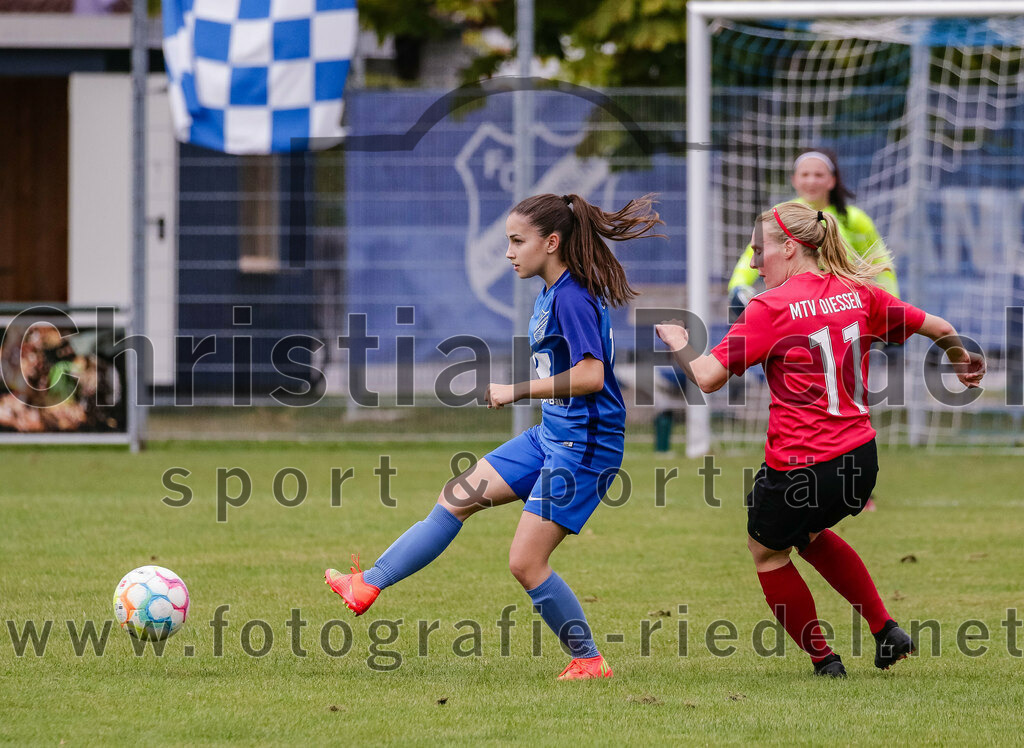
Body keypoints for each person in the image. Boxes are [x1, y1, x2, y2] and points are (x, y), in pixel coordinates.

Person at [326, 192, 664, 680]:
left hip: (585, 447)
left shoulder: (571, 295)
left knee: (526, 563)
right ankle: (368, 585)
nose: (508, 251)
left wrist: (516, 390)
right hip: (553, 434)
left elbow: (592, 376)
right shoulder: (552, 290)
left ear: (551, 242)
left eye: (516, 241)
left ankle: (589, 660)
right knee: (456, 497)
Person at [656, 201, 984, 677]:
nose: (752, 263)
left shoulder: (768, 308)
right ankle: (885, 630)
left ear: (789, 248)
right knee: (807, 534)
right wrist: (959, 358)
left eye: (757, 251)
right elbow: (942, 328)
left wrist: (678, 340)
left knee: (766, 551)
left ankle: (824, 661)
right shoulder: (858, 293)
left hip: (801, 466)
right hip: (860, 462)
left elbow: (706, 378)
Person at [729, 147, 899, 511]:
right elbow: (751, 256)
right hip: (794, 321)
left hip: (841, 319)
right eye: (804, 174)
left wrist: (890, 309)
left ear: (832, 180)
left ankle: (848, 484)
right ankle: (814, 477)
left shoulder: (855, 219)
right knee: (803, 398)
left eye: (818, 174)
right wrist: (738, 288)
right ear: (794, 180)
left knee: (849, 399)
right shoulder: (782, 217)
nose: (810, 180)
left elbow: (880, 265)